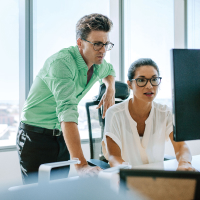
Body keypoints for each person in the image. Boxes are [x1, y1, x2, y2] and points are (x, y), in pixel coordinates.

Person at [17, 13, 116, 184]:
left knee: (59, 191)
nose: (103, 50)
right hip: (35, 136)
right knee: (35, 195)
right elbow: (67, 112)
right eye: (97, 44)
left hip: (61, 137)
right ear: (80, 43)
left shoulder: (98, 63)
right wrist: (82, 166)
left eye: (106, 44)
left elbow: (110, 71)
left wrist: (110, 89)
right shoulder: (61, 63)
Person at [102, 58, 196, 171]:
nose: (149, 86)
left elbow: (181, 146)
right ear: (130, 84)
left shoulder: (165, 113)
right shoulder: (114, 113)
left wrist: (185, 163)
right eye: (141, 80)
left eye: (154, 79)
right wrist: (129, 174)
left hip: (156, 179)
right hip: (125, 180)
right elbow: (114, 157)